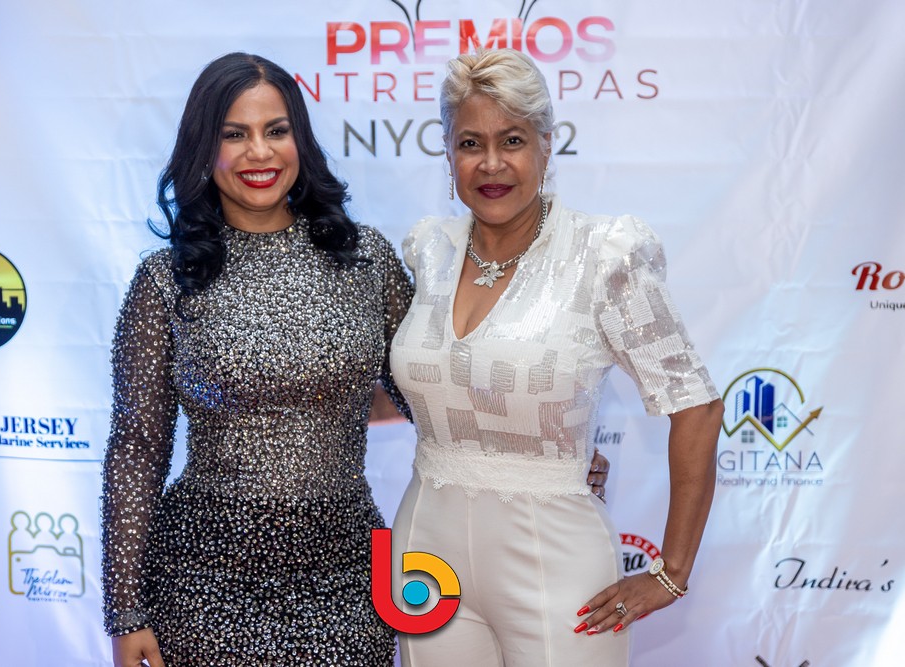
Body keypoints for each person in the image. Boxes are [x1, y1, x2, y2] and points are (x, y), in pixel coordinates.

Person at [100, 50, 612, 667]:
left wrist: (540, 448)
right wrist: (125, 610)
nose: (259, 153)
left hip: (344, 573)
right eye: (234, 135)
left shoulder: (362, 260)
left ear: (300, 140)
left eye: (276, 130)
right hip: (203, 577)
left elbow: (433, 388)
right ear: (204, 150)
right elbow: (137, 447)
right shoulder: (166, 280)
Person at [389, 48, 725, 666]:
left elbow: (696, 408)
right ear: (448, 153)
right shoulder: (428, 250)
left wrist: (671, 571)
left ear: (547, 145)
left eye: (513, 140)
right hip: (425, 552)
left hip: (555, 560)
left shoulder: (604, 254)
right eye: (470, 143)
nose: (492, 163)